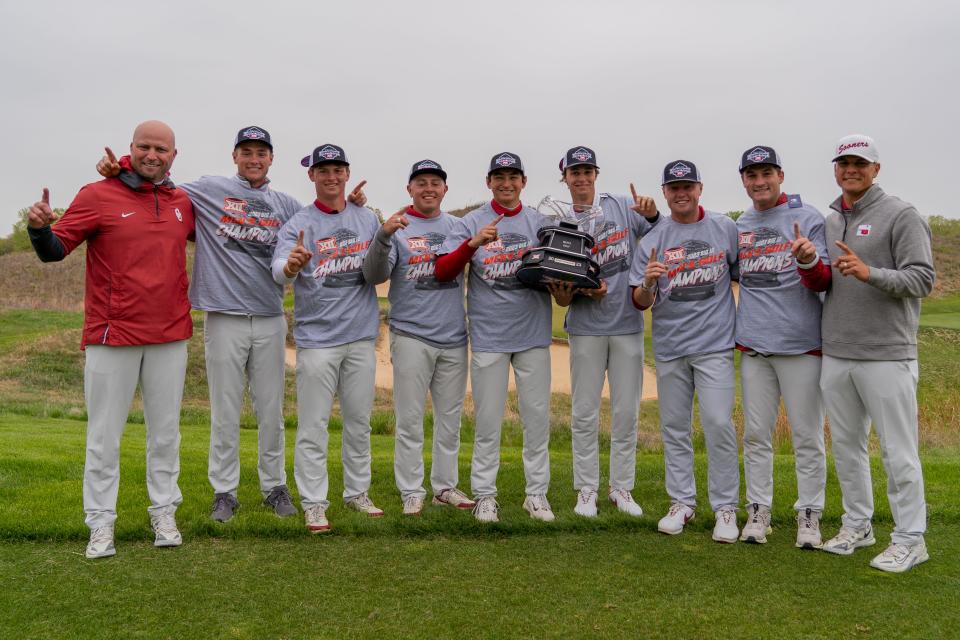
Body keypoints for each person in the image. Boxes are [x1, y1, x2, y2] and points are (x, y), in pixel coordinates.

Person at [95, 127, 367, 523]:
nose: (254, 159)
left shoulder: (285, 204)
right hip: (223, 316)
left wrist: (355, 203)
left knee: (270, 409)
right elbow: (156, 181)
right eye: (247, 152)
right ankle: (225, 491)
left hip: (270, 315)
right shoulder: (209, 188)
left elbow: (324, 215)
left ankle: (274, 487)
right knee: (225, 410)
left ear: (271, 159)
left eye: (261, 153)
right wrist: (119, 170)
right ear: (235, 155)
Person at [27, 120, 195, 558]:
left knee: (165, 435)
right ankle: (101, 524)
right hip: (111, 334)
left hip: (169, 334)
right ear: (131, 149)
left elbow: (229, 234)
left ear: (174, 155)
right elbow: (54, 251)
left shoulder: (182, 202)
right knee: (104, 438)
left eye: (161, 148)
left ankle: (164, 512)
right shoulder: (97, 194)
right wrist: (40, 228)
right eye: (144, 146)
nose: (152, 154)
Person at [795, 135, 934, 572]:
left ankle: (911, 538)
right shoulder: (831, 218)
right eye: (843, 163)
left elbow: (922, 279)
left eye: (859, 163)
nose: (849, 169)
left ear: (875, 169)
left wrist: (869, 272)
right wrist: (806, 262)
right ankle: (859, 524)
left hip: (887, 353)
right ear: (835, 169)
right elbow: (826, 280)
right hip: (838, 351)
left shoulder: (902, 214)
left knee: (898, 452)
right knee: (848, 447)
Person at [435, 152, 554, 523]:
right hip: (489, 335)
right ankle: (486, 494)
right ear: (489, 182)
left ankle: (536, 495)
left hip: (533, 334)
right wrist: (473, 243)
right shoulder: (471, 221)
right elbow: (443, 270)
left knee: (536, 420)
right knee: (488, 422)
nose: (506, 183)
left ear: (523, 181)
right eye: (499, 177)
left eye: (513, 176)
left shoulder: (540, 222)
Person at [272, 143, 383, 532]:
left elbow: (380, 266)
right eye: (324, 170)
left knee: (358, 421)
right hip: (317, 340)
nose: (331, 176)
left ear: (347, 174)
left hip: (360, 336)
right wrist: (290, 264)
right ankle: (315, 502)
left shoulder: (366, 218)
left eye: (338, 169)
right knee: (314, 425)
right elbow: (278, 270)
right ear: (312, 176)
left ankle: (357, 493)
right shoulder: (299, 222)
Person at [629, 160, 741, 543]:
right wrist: (647, 283)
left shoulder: (725, 227)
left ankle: (726, 508)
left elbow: (744, 276)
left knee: (718, 424)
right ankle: (682, 503)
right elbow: (640, 301)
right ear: (664, 192)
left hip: (714, 346)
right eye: (674, 187)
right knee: (675, 429)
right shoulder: (653, 237)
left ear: (700, 188)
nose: (681, 193)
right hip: (671, 346)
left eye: (687, 186)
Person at [547, 146, 659, 518]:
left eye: (587, 171)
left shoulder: (623, 206)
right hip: (585, 326)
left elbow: (663, 230)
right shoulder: (556, 216)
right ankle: (586, 490)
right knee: (584, 413)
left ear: (596, 174)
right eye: (574, 172)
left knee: (626, 412)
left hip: (626, 323)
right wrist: (573, 291)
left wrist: (654, 213)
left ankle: (621, 488)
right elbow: (555, 275)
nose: (581, 178)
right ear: (564, 178)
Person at [361, 160, 475, 516]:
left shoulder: (458, 227)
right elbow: (373, 273)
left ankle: (445, 486)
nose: (429, 188)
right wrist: (383, 236)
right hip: (411, 333)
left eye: (435, 183)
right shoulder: (399, 225)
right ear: (409, 189)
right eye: (421, 182)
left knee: (450, 419)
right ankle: (412, 489)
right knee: (409, 419)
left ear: (444, 189)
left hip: (454, 336)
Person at [733, 145, 828, 548]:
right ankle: (759, 511)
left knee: (807, 436)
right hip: (755, 346)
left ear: (780, 176)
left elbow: (823, 280)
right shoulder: (742, 223)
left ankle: (810, 514)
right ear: (744, 181)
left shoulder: (808, 218)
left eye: (766, 173)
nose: (759, 181)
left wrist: (807, 259)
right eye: (752, 175)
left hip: (801, 346)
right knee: (756, 434)